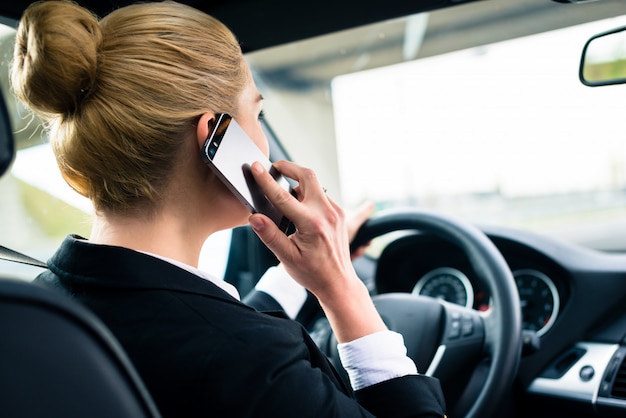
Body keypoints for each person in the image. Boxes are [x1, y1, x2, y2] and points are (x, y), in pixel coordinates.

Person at [10, 1, 446, 417]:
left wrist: (297, 277)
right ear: (212, 136)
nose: (264, 141)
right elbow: (226, 347)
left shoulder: (40, 306)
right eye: (256, 114)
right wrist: (343, 290)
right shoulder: (249, 360)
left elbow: (186, 320)